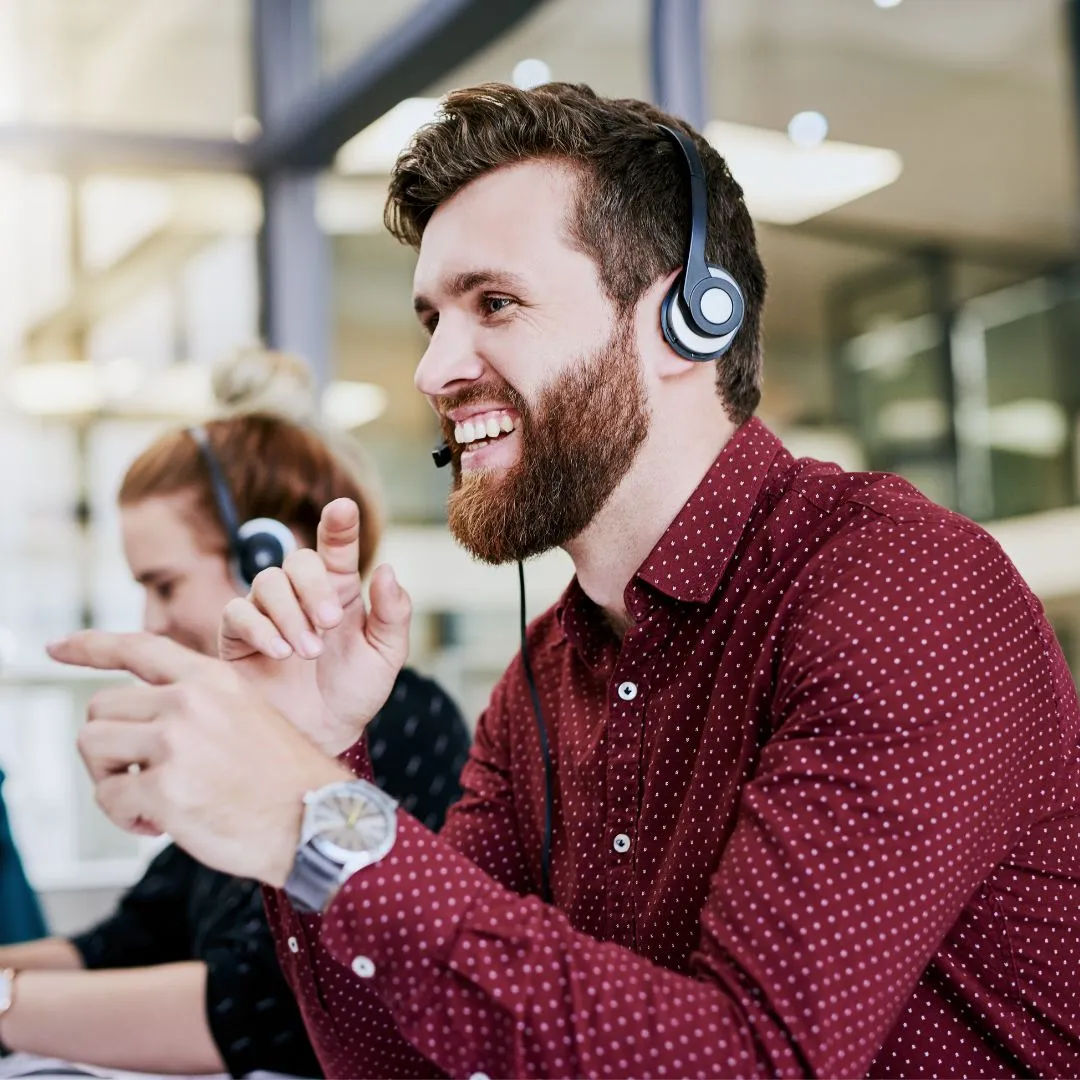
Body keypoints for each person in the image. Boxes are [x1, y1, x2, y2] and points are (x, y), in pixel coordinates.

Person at [47, 81, 1080, 1079]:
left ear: (688, 320)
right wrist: (323, 762)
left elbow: (755, 1060)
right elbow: (402, 1065)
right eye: (431, 320)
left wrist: (311, 820)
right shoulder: (546, 678)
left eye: (493, 302)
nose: (434, 370)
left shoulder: (898, 587)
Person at [4, 352, 470, 1077]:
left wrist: (7, 1003)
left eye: (164, 585)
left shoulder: (400, 720)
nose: (151, 622)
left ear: (266, 559)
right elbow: (129, 940)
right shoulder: (240, 733)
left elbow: (262, 1005)